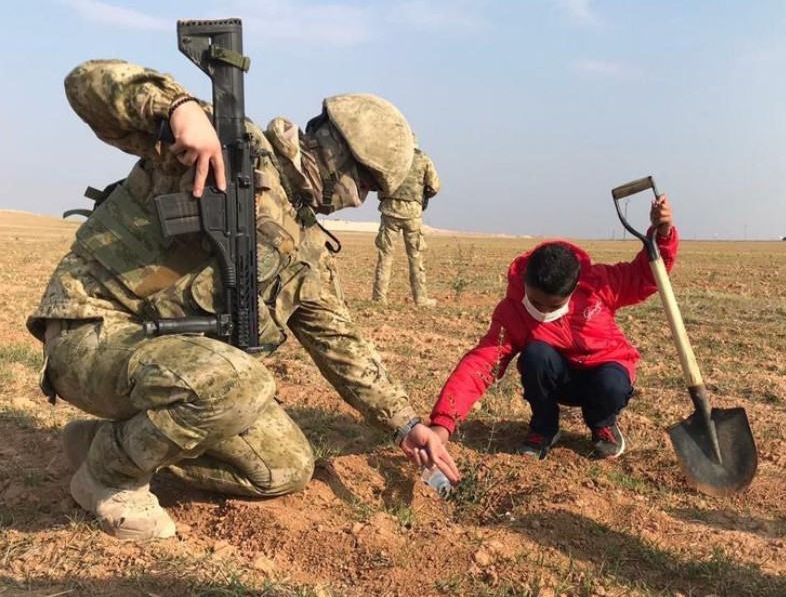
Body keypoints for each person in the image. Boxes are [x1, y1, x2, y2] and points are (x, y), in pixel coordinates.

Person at [26, 59, 458, 541]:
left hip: (178, 366)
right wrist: (178, 109)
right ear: (338, 151)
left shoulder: (306, 248)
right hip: (92, 332)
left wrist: (407, 425)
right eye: (366, 183)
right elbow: (85, 84)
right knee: (242, 381)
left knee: (286, 466)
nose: (359, 201)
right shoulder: (228, 147)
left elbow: (343, 347)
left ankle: (107, 444)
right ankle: (109, 478)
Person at [427, 196, 677, 460]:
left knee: (611, 384)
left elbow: (645, 276)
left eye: (554, 305)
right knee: (535, 355)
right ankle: (544, 428)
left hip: (604, 375)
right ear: (525, 281)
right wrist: (442, 425)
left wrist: (662, 233)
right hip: (557, 381)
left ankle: (603, 423)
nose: (544, 311)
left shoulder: (598, 285)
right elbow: (481, 364)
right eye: (536, 302)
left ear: (574, 287)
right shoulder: (513, 312)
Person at [371, 138, 442, 307]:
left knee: (385, 256)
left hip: (390, 211)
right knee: (415, 257)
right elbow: (434, 185)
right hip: (412, 214)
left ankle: (379, 298)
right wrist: (422, 196)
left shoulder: (391, 158)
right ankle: (421, 299)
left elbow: (380, 181)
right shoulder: (422, 158)